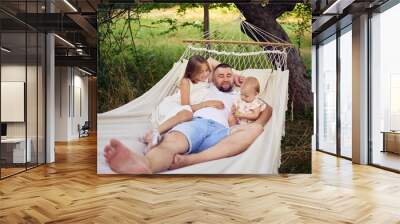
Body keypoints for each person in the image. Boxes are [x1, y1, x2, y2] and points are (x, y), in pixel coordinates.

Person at [104, 63, 272, 174]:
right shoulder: (207, 87)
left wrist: (254, 124)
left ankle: (191, 160)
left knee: (257, 129)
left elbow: (268, 109)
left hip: (224, 131)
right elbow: (210, 61)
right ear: (212, 77)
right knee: (171, 143)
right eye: (220, 75)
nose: (226, 78)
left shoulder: (243, 95)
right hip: (198, 122)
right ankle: (145, 164)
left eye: (229, 75)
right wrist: (235, 74)